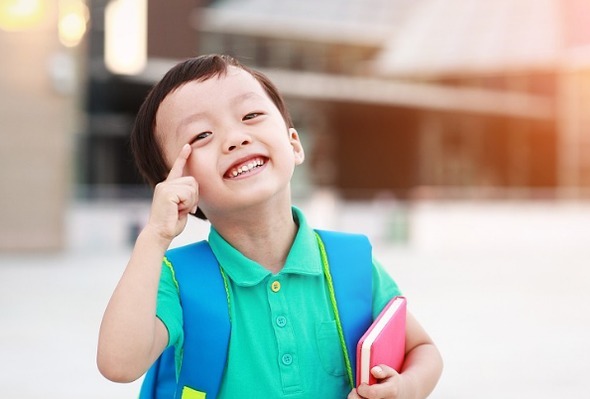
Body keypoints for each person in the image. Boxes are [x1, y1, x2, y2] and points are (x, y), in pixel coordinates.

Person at [97, 54, 443, 398]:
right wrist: (155, 236)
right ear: (178, 183)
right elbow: (119, 364)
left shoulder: (349, 263)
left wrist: (405, 388)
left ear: (294, 143)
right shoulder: (178, 280)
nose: (235, 138)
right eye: (201, 135)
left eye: (250, 115)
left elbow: (423, 350)